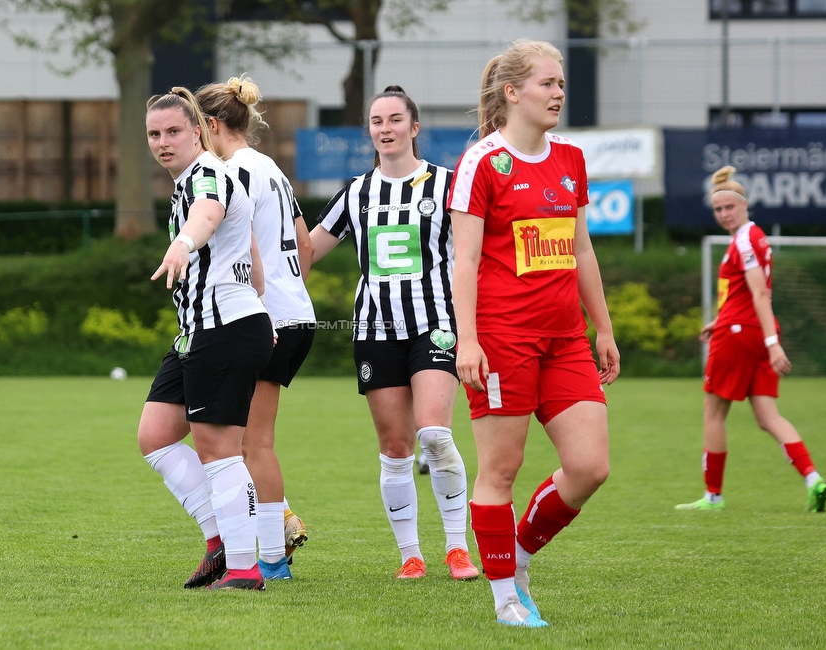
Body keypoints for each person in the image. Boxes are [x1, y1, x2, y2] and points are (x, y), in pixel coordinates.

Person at [447, 39, 620, 627]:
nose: (558, 93)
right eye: (547, 83)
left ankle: (517, 556)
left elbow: (581, 249)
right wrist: (466, 341)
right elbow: (463, 262)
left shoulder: (570, 158)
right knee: (500, 469)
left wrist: (603, 327)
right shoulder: (482, 163)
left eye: (562, 84)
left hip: (565, 338)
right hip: (502, 340)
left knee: (590, 466)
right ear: (513, 92)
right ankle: (504, 600)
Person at [309, 85, 480, 581]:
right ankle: (410, 554)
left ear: (414, 127)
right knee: (396, 446)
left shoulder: (448, 186)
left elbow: (477, 254)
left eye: (394, 119)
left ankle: (456, 547)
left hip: (436, 324)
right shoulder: (356, 193)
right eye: (377, 121)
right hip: (375, 329)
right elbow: (306, 254)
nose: (385, 129)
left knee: (434, 433)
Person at [137, 86, 274, 591]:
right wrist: (257, 308)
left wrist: (182, 242)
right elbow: (253, 256)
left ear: (198, 130)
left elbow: (208, 214)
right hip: (209, 328)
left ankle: (243, 567)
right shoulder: (193, 180)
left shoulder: (207, 175)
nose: (163, 141)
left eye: (173, 131)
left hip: (223, 328)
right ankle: (220, 538)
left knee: (220, 450)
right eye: (154, 134)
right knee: (155, 435)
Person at [195, 75, 316, 580]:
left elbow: (243, 246)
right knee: (246, 441)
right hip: (297, 313)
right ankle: (274, 532)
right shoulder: (273, 170)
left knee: (252, 444)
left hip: (265, 317)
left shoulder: (230, 174)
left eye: (197, 127)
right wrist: (291, 294)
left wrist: (263, 306)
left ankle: (271, 554)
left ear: (214, 125)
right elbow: (305, 245)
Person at [675, 166, 826, 513]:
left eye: (730, 206)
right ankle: (813, 479)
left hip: (743, 335)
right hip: (752, 330)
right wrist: (723, 319)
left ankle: (713, 496)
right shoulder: (756, 237)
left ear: (744, 205)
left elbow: (760, 294)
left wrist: (773, 343)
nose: (724, 214)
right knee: (768, 416)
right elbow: (747, 295)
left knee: (713, 414)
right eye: (718, 209)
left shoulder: (745, 239)